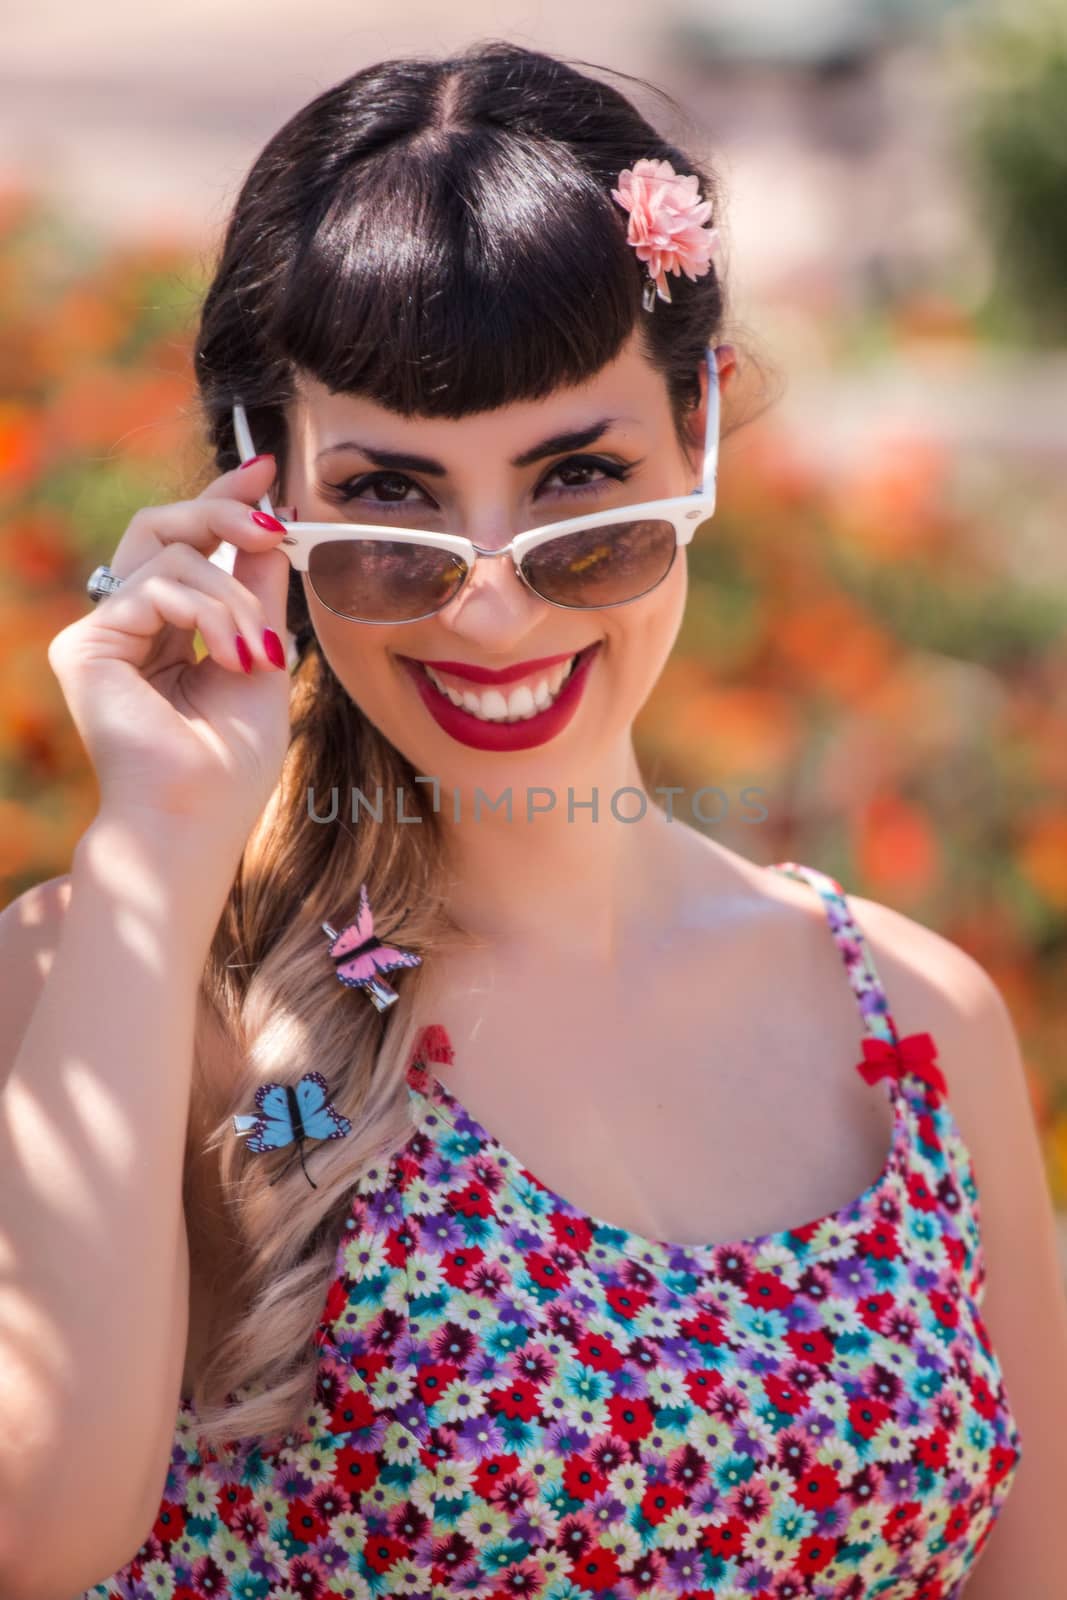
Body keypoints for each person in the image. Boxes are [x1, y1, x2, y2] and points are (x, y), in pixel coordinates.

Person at [1, 38, 1063, 1600]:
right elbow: (29, 1538)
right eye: (396, 506)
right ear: (262, 493)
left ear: (695, 438)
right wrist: (159, 838)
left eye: (581, 484)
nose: (491, 609)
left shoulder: (911, 1019)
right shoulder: (132, 977)